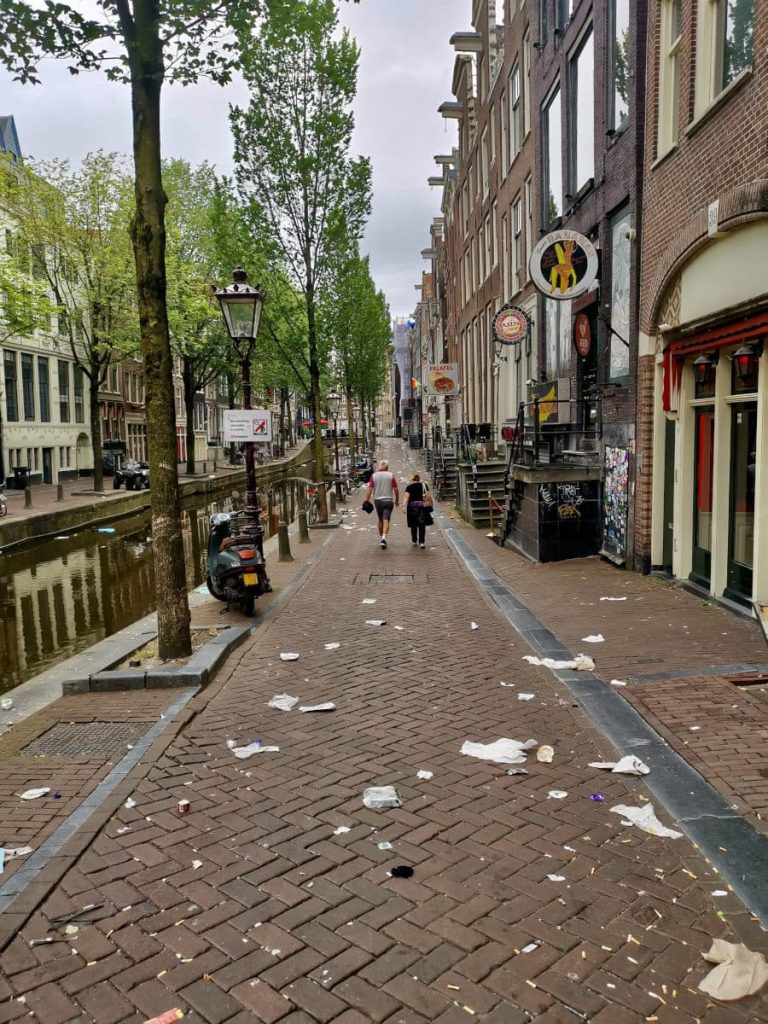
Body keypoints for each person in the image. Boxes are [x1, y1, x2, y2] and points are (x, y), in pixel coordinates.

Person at [363, 460, 399, 548]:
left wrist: (366, 500)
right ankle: (384, 537)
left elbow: (370, 489)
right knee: (386, 519)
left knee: (380, 519)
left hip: (378, 501)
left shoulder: (374, 476)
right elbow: (395, 489)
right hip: (388, 501)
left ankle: (382, 538)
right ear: (387, 467)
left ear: (379, 467)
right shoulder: (391, 475)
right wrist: (397, 499)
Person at [403, 472, 431, 549]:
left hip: (412, 507)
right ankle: (422, 542)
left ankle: (414, 540)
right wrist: (426, 501)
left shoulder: (409, 487)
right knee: (422, 524)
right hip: (422, 506)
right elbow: (428, 495)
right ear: (419, 478)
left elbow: (406, 497)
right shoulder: (424, 485)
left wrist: (403, 505)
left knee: (413, 524)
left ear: (412, 479)